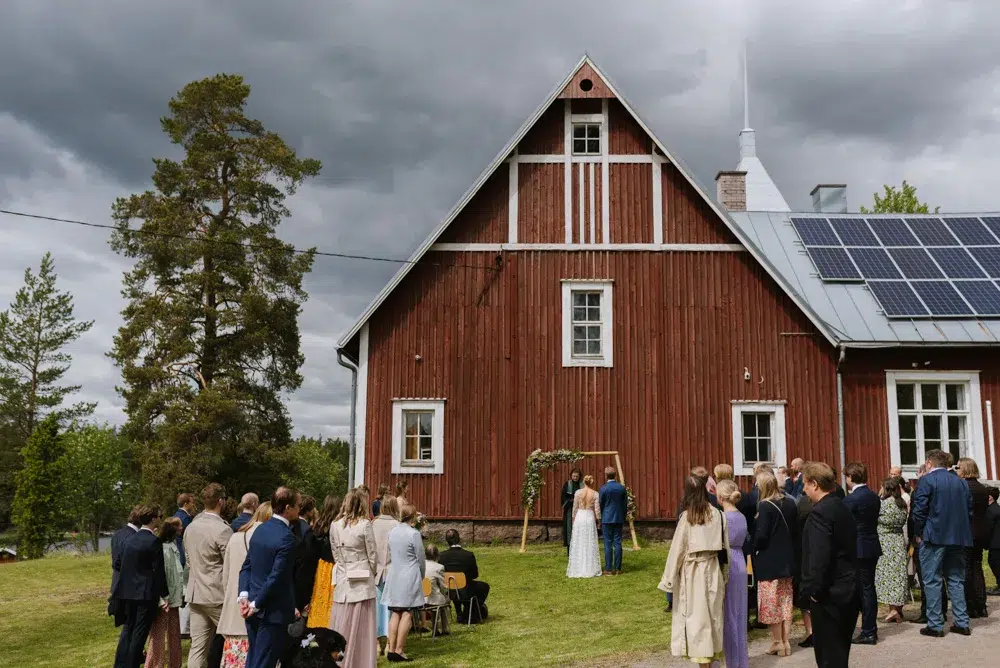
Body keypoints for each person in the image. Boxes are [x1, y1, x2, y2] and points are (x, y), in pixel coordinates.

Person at [658, 475, 727, 665]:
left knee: (698, 618)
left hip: (694, 571)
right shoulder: (718, 514)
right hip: (712, 568)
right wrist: (725, 572)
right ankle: (708, 661)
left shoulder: (688, 517)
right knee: (711, 615)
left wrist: (669, 579)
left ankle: (704, 663)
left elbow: (677, 550)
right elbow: (725, 546)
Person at [799, 462, 859, 668]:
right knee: (839, 656)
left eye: (805, 484)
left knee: (828, 658)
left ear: (814, 484)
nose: (803, 489)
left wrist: (813, 591)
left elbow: (819, 556)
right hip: (848, 590)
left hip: (830, 595)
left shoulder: (820, 513)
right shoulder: (842, 506)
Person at [911, 448, 973, 638]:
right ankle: (962, 623)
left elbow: (919, 510)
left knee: (932, 580)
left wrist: (918, 533)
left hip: (934, 535)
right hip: (957, 536)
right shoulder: (961, 483)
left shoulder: (927, 480)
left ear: (929, 463)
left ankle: (935, 624)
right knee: (955, 579)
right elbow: (969, 510)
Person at [239, 487, 300, 668]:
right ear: (287, 507)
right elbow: (276, 577)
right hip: (272, 611)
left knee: (254, 659)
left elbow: (247, 566)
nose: (299, 509)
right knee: (264, 662)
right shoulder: (286, 537)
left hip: (252, 606)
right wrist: (256, 604)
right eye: (297, 506)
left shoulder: (260, 529)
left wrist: (244, 596)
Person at [113, 505, 169, 668]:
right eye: (159, 516)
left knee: (129, 629)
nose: (160, 518)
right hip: (145, 594)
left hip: (127, 592)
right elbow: (159, 571)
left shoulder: (129, 539)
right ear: (153, 519)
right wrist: (164, 594)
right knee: (139, 634)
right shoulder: (154, 541)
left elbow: (118, 563)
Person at [184, 483, 233, 668]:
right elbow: (231, 565)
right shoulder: (222, 530)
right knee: (237, 639)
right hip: (217, 595)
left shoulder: (191, 527)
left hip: (196, 594)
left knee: (197, 648)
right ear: (221, 501)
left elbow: (188, 560)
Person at [329, 489, 378, 668]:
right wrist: (370, 570)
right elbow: (372, 554)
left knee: (342, 622)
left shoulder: (335, 525)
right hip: (362, 579)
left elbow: (335, 553)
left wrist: (344, 567)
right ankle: (361, 661)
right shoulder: (365, 524)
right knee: (362, 628)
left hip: (343, 575)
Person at [219, 502, 272, 668]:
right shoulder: (268, 538)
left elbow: (226, 576)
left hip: (235, 608)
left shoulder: (235, 537)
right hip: (258, 608)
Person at [753, 469, 798, 657]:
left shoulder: (765, 506)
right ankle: (786, 642)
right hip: (788, 558)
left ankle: (778, 641)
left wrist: (754, 545)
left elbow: (762, 535)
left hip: (770, 560)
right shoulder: (789, 503)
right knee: (786, 601)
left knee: (772, 602)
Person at [841, 461, 882, 645]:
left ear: (850, 477)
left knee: (861, 590)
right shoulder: (874, 496)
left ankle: (868, 631)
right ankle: (869, 627)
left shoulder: (850, 500)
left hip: (857, 547)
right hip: (871, 544)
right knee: (868, 588)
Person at [383, 503, 425, 663]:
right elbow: (420, 557)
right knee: (407, 611)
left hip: (395, 572)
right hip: (409, 574)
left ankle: (391, 648)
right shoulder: (413, 534)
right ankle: (399, 649)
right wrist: (421, 575)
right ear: (413, 516)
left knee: (395, 612)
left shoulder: (392, 532)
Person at [146, 517, 187, 668]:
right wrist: (164, 598)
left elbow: (179, 574)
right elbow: (164, 575)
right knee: (158, 635)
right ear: (173, 529)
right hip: (165, 599)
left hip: (174, 598)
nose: (182, 528)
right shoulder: (162, 548)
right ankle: (153, 665)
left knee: (175, 634)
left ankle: (175, 664)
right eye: (179, 526)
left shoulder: (175, 545)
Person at [717, 479, 749, 668]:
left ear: (720, 497)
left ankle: (729, 660)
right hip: (740, 561)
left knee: (726, 613)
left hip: (728, 561)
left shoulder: (722, 518)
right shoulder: (742, 516)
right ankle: (739, 660)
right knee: (738, 612)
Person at [957, 458, 990, 618]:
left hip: (967, 532)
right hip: (980, 531)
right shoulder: (983, 488)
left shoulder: (964, 488)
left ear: (964, 469)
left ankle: (971, 606)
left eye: (958, 467)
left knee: (966, 569)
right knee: (977, 568)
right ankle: (981, 604)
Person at [875, 477, 908, 624]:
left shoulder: (883, 505)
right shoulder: (901, 505)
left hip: (885, 543)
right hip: (898, 541)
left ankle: (893, 610)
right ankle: (897, 609)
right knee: (899, 575)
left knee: (888, 577)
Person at [305, 495, 341, 631]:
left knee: (321, 598)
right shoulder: (339, 525)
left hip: (322, 567)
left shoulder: (318, 526)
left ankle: (318, 625)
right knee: (333, 598)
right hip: (335, 566)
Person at [439, 529, 490, 623]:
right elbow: (475, 575)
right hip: (466, 589)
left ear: (447, 541)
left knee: (455, 587)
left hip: (449, 591)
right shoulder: (468, 555)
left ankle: (459, 613)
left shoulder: (441, 556)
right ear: (459, 539)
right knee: (484, 587)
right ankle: (471, 612)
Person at [372, 496, 400, 652]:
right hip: (392, 568)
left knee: (376, 607)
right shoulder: (397, 525)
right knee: (392, 607)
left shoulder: (374, 523)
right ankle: (390, 643)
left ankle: (377, 644)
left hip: (376, 569)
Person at [109, 507, 141, 628]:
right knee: (131, 624)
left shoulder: (117, 534)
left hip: (117, 582)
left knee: (126, 624)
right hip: (129, 586)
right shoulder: (133, 537)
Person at [566, 474, 602, 578]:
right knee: (589, 541)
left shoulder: (578, 492)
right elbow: (597, 510)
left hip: (580, 516)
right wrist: (599, 521)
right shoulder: (595, 494)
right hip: (589, 516)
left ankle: (578, 567)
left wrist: (573, 519)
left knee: (579, 540)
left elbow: (574, 507)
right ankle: (589, 567)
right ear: (591, 482)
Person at [794, 486, 816, 648]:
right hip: (817, 552)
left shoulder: (801, 504)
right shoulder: (826, 503)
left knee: (805, 596)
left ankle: (810, 631)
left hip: (803, 553)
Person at [599, 466, 627, 575]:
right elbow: (625, 505)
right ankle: (618, 568)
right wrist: (623, 516)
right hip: (618, 517)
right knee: (618, 543)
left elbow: (601, 504)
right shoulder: (621, 488)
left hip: (607, 518)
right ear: (615, 475)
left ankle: (609, 569)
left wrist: (601, 516)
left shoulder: (603, 488)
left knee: (607, 543)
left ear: (606, 475)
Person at [423, 544, 451, 635]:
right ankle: (444, 628)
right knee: (443, 599)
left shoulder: (420, 565)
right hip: (433, 598)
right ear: (437, 555)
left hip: (421, 599)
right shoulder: (439, 567)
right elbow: (444, 586)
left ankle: (436, 629)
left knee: (436, 598)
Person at [561, 468, 583, 555]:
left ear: (579, 477)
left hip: (580, 510)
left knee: (579, 528)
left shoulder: (582, 485)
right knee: (569, 529)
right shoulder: (567, 484)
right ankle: (570, 550)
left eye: (576, 476)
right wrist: (570, 500)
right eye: (573, 476)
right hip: (569, 509)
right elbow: (563, 496)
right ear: (571, 476)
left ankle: (580, 549)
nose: (575, 478)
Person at [986, 486, 1000, 596]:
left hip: (995, 543)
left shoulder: (991, 511)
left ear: (990, 498)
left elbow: (989, 528)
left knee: (995, 563)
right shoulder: (997, 508)